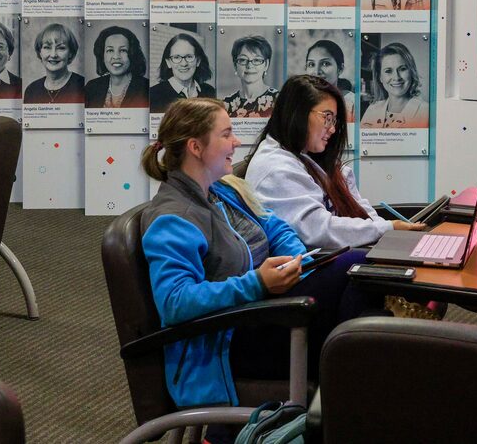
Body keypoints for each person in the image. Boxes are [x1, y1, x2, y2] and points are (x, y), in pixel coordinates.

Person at [139, 97, 373, 417]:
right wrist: (257, 282)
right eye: (226, 134)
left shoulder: (222, 190)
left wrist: (297, 262)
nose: (236, 141)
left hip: (257, 318)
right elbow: (175, 302)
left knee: (362, 287)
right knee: (354, 270)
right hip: (226, 347)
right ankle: (355, 404)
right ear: (196, 147)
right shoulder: (172, 218)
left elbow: (275, 228)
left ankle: (357, 402)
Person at [247, 74, 426, 248]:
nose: (332, 129)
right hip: (311, 268)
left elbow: (360, 209)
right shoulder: (276, 168)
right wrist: (386, 228)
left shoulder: (306, 156)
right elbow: (318, 230)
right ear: (297, 113)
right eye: (327, 118)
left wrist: (385, 229)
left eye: (334, 120)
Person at [361, 42, 430, 129]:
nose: (396, 77)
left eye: (402, 69)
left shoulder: (427, 112)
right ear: (380, 77)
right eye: (388, 71)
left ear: (411, 72)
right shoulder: (372, 108)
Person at [148, 33, 216, 114]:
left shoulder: (210, 92)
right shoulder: (152, 95)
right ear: (168, 62)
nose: (184, 64)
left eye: (189, 57)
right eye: (176, 57)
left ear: (198, 61)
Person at [83, 25, 147, 108]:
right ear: (102, 55)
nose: (116, 56)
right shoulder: (91, 87)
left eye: (123, 50)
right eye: (110, 50)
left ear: (132, 54)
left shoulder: (145, 88)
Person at [23, 22, 85, 104]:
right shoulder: (31, 90)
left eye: (61, 48)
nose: (53, 55)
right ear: (40, 52)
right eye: (47, 47)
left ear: (70, 53)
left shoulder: (82, 86)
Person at [222, 36, 278, 118]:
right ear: (235, 65)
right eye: (243, 60)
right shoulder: (226, 103)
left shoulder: (279, 99)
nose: (250, 65)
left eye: (257, 60)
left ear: (266, 65)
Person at [304, 40, 356, 115]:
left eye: (325, 63)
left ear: (340, 69)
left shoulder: (352, 103)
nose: (316, 71)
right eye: (311, 64)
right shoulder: (299, 101)